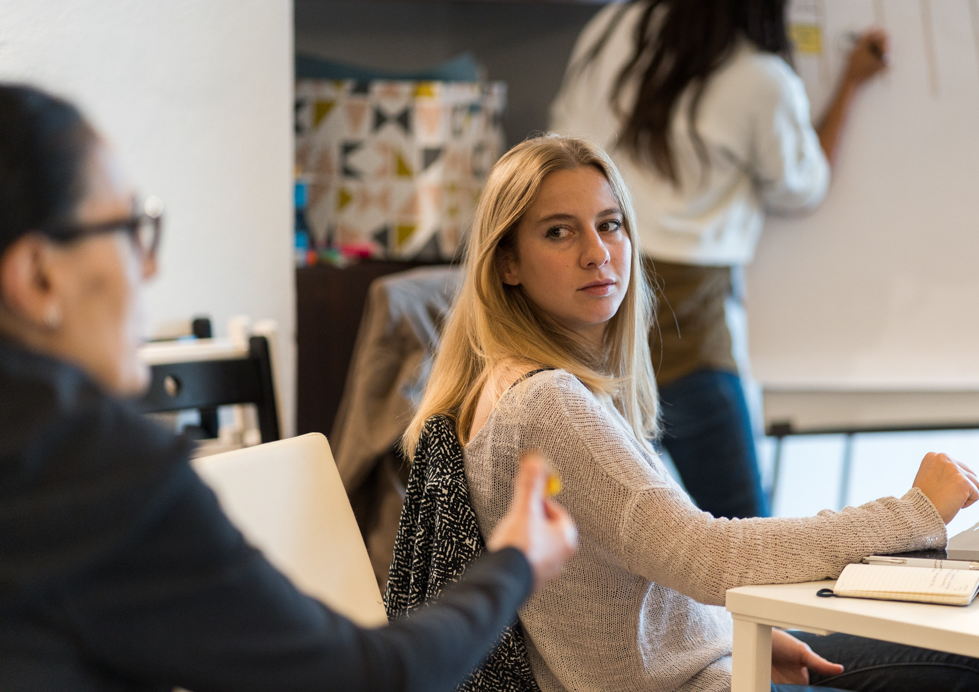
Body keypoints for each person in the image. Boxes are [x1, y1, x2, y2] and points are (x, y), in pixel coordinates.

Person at [0, 83, 578, 692]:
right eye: (128, 228)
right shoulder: (89, 469)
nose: (149, 266)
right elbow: (367, 680)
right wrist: (515, 561)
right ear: (38, 277)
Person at [399, 135, 979, 692]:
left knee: (968, 661)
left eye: (610, 225)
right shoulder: (547, 403)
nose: (597, 252)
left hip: (705, 662)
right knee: (975, 670)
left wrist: (735, 636)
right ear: (507, 263)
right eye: (559, 232)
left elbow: (642, 571)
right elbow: (707, 556)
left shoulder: (513, 386)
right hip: (693, 685)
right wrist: (913, 513)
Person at [549, 0, 888, 518]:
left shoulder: (620, 25)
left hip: (582, 294)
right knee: (745, 529)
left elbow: (563, 140)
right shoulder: (760, 78)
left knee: (596, 526)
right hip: (684, 315)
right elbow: (802, 185)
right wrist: (850, 82)